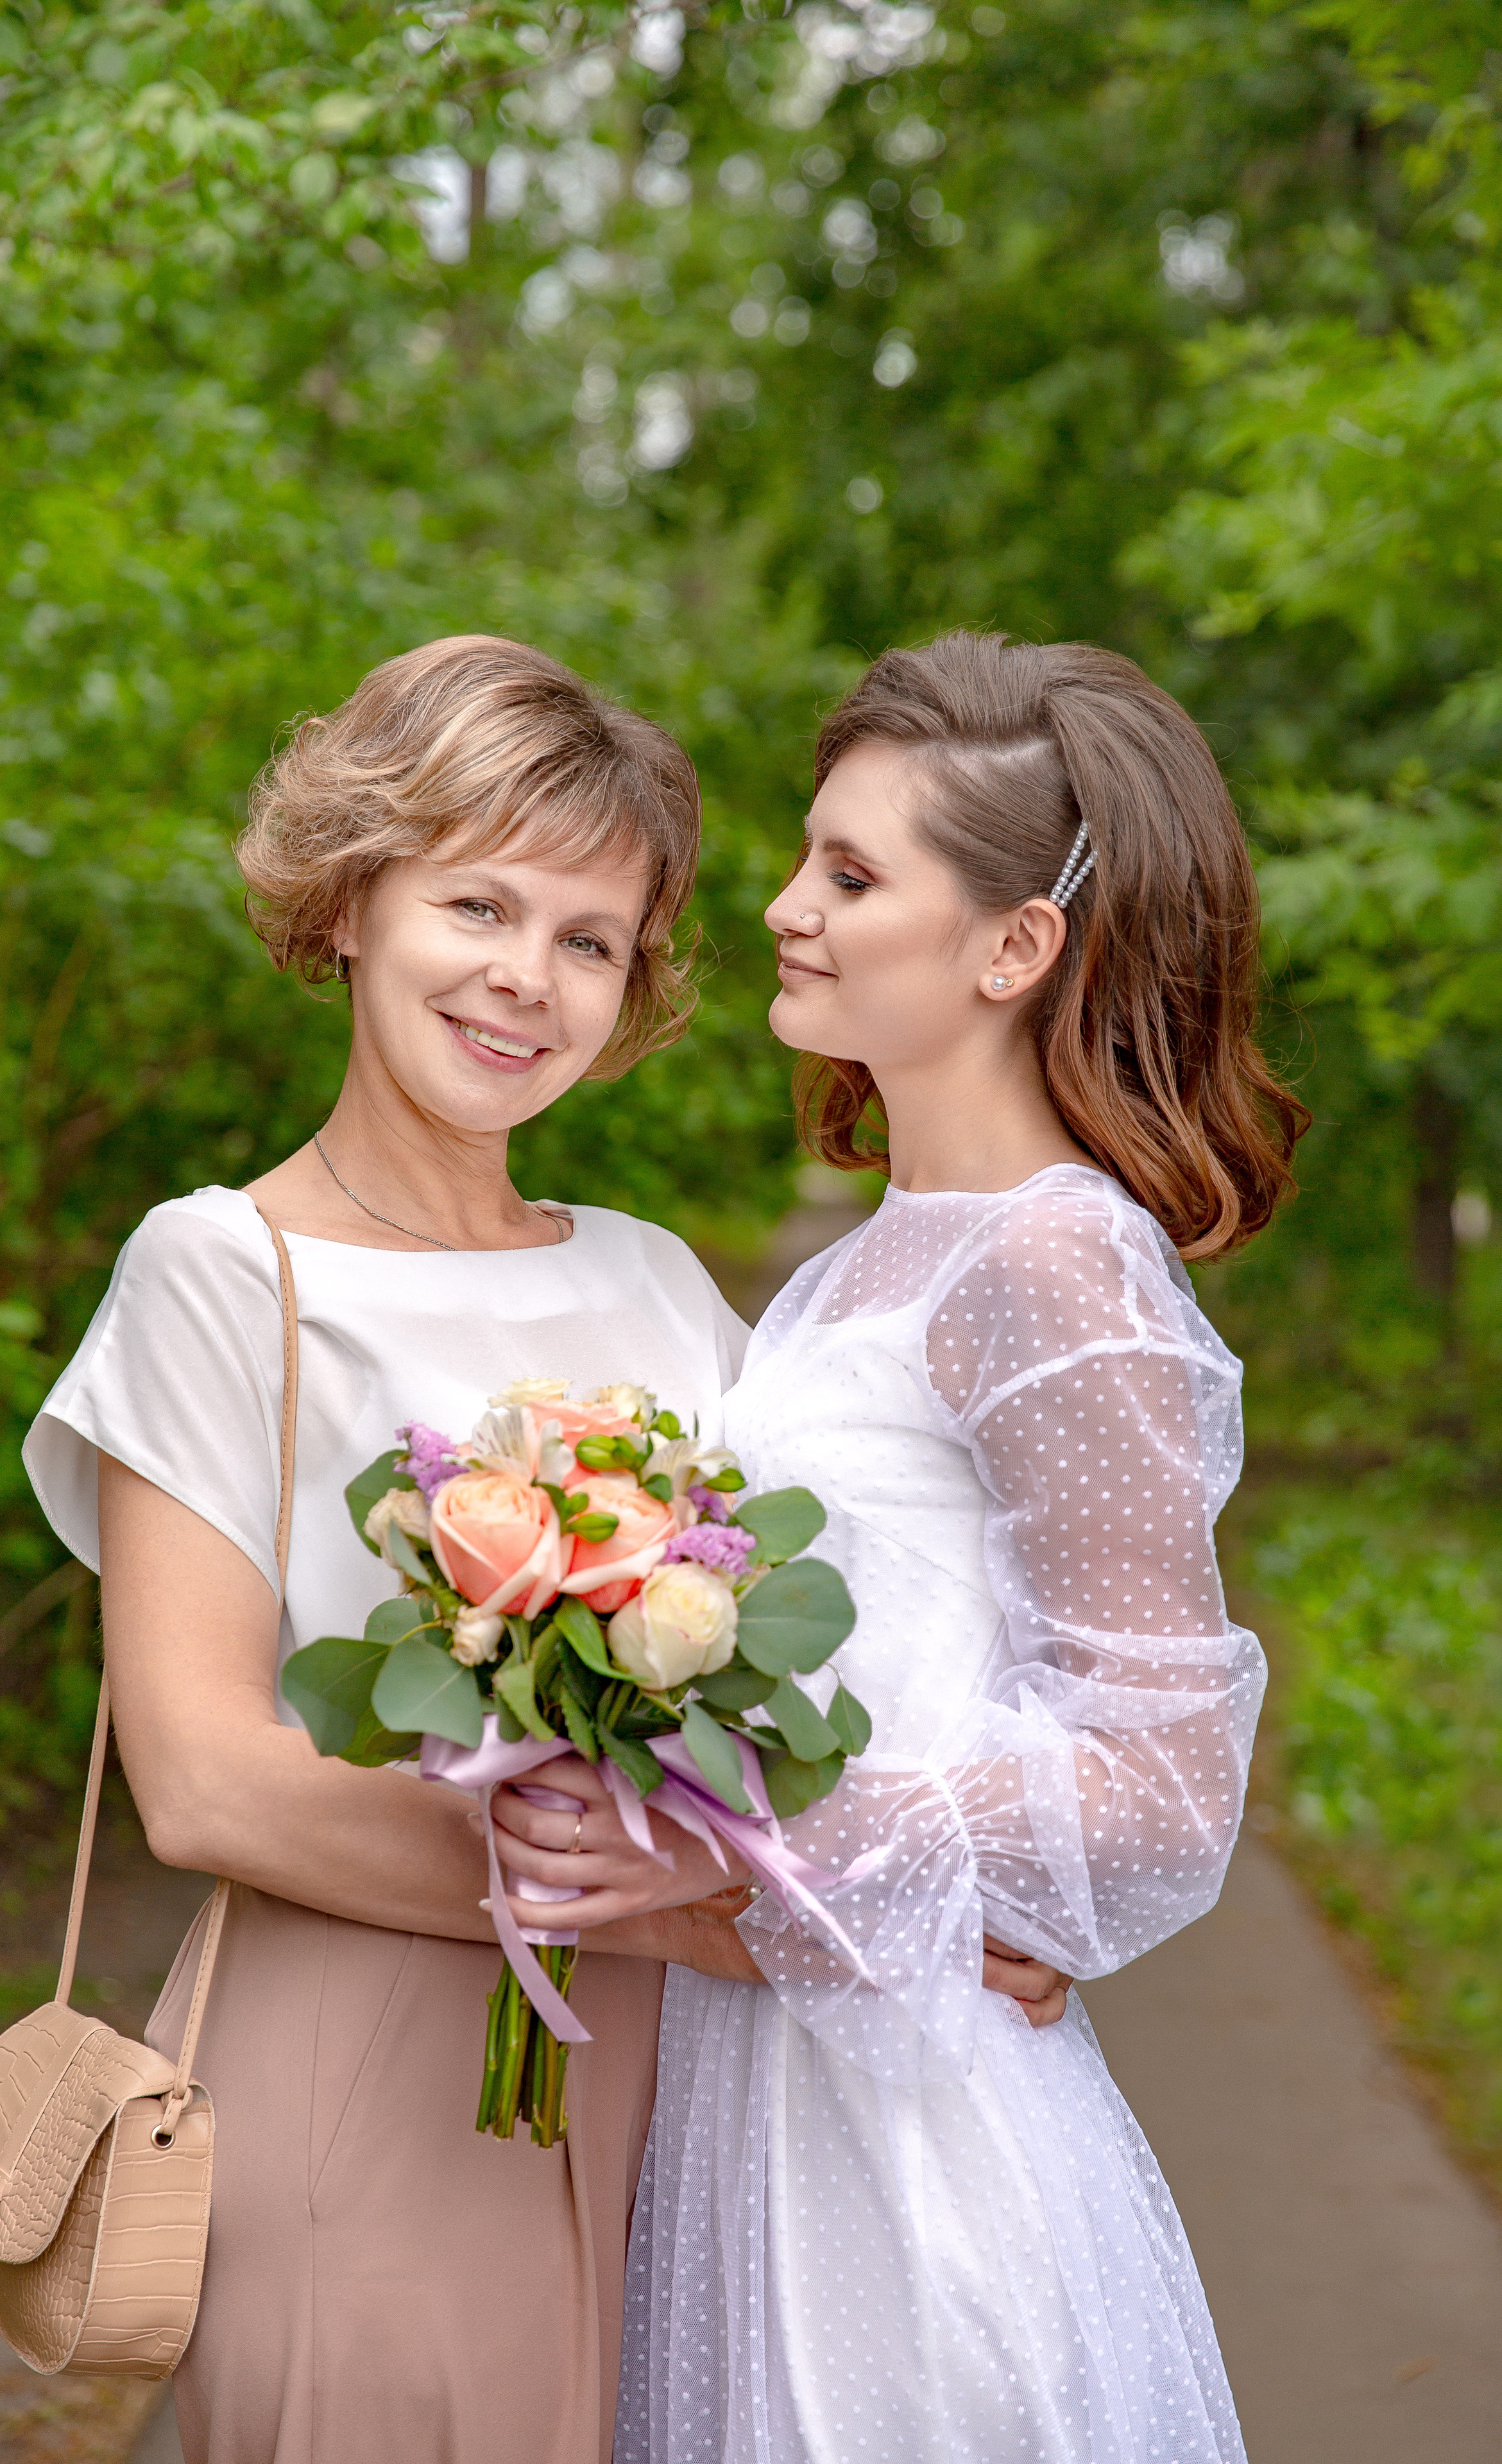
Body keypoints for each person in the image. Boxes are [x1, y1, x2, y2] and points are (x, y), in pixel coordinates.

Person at [499, 630, 1306, 2463]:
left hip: (915, 2131)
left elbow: (1166, 1785)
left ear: (1017, 946)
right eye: (807, 856)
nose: (785, 907)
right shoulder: (867, 1261)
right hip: (782, 2067)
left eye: (852, 877)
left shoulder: (1056, 1260)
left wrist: (742, 1870)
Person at [19, 636, 769, 2464]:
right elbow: (200, 1783)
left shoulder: (658, 1280)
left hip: (703, 2099)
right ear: (353, 900)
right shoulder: (224, 1270)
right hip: (376, 2065)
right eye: (481, 904)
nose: (530, 980)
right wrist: (693, 1914)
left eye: (591, 941)